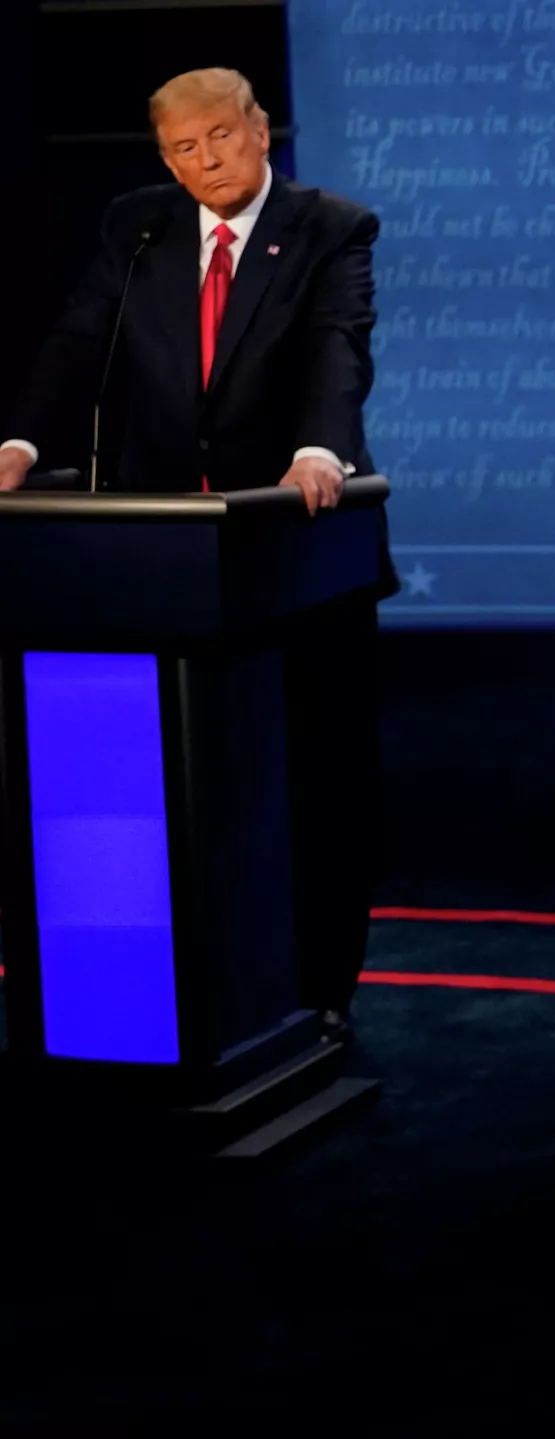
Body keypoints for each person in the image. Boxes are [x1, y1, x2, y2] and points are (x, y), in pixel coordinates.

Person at [0, 67, 392, 1038]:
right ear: (166, 160)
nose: (207, 159)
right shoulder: (140, 228)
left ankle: (322, 989)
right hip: (160, 558)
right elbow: (79, 342)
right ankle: (180, 991)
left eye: (220, 134)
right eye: (184, 147)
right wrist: (20, 443)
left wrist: (320, 449)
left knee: (315, 776)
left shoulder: (331, 226)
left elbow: (338, 347)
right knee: (174, 783)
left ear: (260, 129)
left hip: (295, 543)